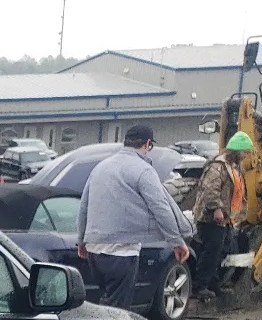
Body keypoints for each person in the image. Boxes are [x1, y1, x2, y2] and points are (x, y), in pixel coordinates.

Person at [76, 124, 192, 308]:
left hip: (94, 251)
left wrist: (81, 240)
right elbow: (160, 207)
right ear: (147, 144)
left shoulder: (101, 167)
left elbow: (84, 205)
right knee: (118, 309)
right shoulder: (143, 170)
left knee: (106, 302)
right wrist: (177, 241)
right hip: (122, 250)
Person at [192, 131, 253, 297]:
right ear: (236, 150)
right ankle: (199, 286)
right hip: (211, 219)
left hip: (225, 219)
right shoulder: (218, 166)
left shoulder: (233, 168)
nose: (246, 155)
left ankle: (213, 284)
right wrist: (216, 209)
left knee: (221, 252)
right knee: (211, 251)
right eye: (245, 151)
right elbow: (210, 190)